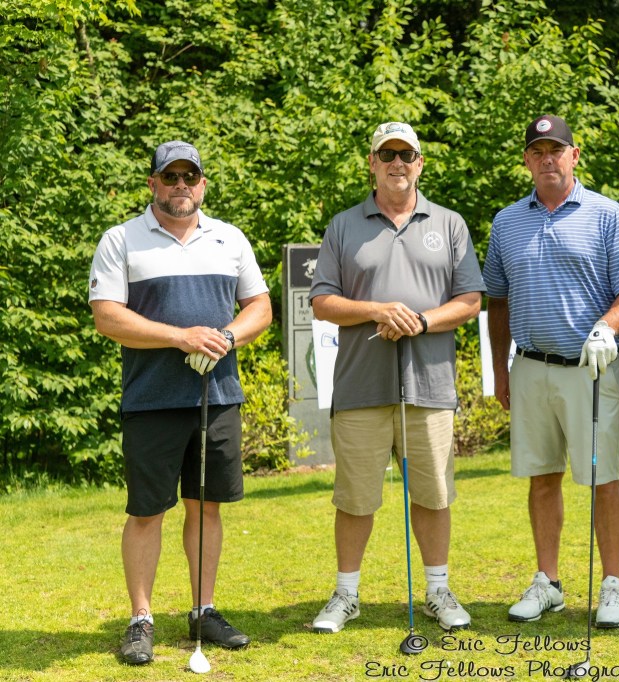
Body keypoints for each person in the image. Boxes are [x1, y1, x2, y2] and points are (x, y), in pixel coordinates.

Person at [89, 141, 273, 665]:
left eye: (189, 177)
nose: (180, 186)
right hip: (151, 399)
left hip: (218, 396)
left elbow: (260, 307)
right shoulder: (122, 239)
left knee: (206, 505)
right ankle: (141, 619)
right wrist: (180, 337)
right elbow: (108, 317)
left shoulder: (229, 238)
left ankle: (203, 609)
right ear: (153, 183)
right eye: (170, 177)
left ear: (203, 184)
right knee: (147, 511)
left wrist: (227, 337)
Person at [308, 122, 484, 634]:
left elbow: (470, 300)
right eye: (387, 154)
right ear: (372, 163)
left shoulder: (449, 223)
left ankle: (437, 591)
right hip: (360, 386)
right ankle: (346, 595)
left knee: (433, 494)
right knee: (355, 499)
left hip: (430, 386)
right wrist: (376, 310)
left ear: (420, 163)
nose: (397, 163)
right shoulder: (344, 225)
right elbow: (322, 301)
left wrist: (420, 321)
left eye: (407, 154)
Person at [483, 115, 619, 628]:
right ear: (526, 161)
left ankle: (612, 585)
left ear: (574, 156)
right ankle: (548, 583)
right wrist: (501, 371)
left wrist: (606, 328)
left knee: (602, 477)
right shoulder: (507, 221)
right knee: (542, 476)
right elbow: (497, 300)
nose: (547, 158)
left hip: (590, 367)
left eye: (556, 150)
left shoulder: (607, 215)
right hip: (531, 367)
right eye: (538, 151)